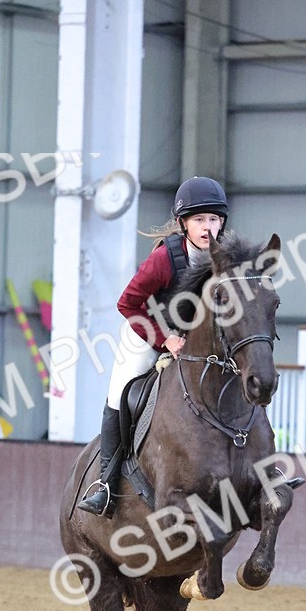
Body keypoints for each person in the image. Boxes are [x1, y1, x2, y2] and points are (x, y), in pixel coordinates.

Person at [77, 176, 229, 516]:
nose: (208, 228)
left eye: (214, 219)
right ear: (183, 223)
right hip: (148, 332)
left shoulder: (225, 257)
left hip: (197, 341)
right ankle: (105, 482)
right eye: (200, 220)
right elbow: (127, 303)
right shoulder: (164, 260)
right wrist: (166, 339)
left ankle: (256, 472)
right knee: (120, 395)